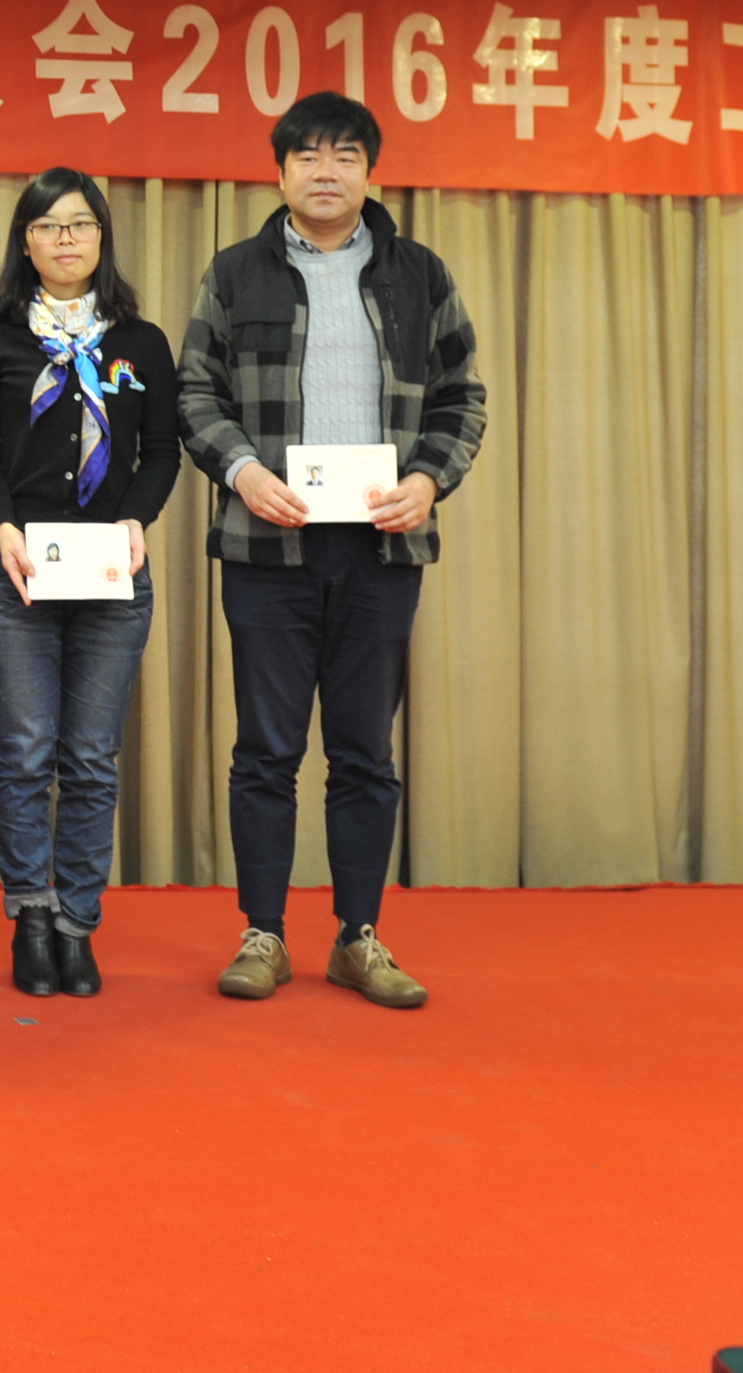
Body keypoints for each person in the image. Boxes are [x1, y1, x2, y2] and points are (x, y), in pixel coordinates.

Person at [176, 91, 486, 1009]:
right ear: (279, 173)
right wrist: (242, 473)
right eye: (306, 155)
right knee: (265, 751)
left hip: (380, 552)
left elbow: (462, 397)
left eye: (344, 155)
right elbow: (196, 393)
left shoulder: (419, 274)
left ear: (369, 172)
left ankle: (359, 938)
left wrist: (428, 480)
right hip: (266, 547)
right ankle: (263, 934)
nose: (325, 171)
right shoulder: (236, 273)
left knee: (363, 752)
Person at [0, 168, 181, 999]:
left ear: (101, 237)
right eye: (47, 226)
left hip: (111, 573)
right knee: (25, 753)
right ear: (25, 242)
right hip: (18, 570)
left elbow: (162, 452)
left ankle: (78, 924)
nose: (65, 240)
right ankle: (31, 917)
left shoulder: (141, 342)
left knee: (90, 759)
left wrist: (137, 521)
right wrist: (3, 527)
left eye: (80, 224)